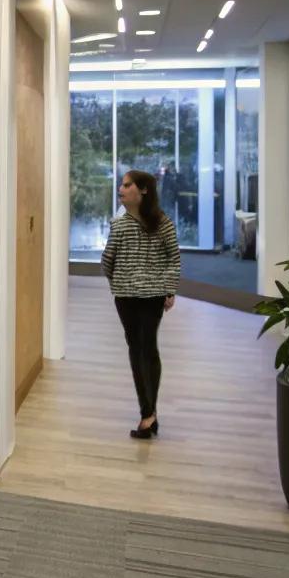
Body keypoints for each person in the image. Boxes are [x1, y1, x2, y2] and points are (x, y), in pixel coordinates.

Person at [101, 169, 181, 439]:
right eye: (121, 186)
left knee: (146, 348)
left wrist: (169, 289)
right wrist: (119, 283)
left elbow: (174, 258)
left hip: (152, 296)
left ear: (143, 190)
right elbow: (107, 260)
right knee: (138, 348)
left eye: (126, 185)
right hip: (125, 298)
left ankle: (148, 414)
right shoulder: (119, 225)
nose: (121, 189)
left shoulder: (163, 223)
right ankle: (149, 413)